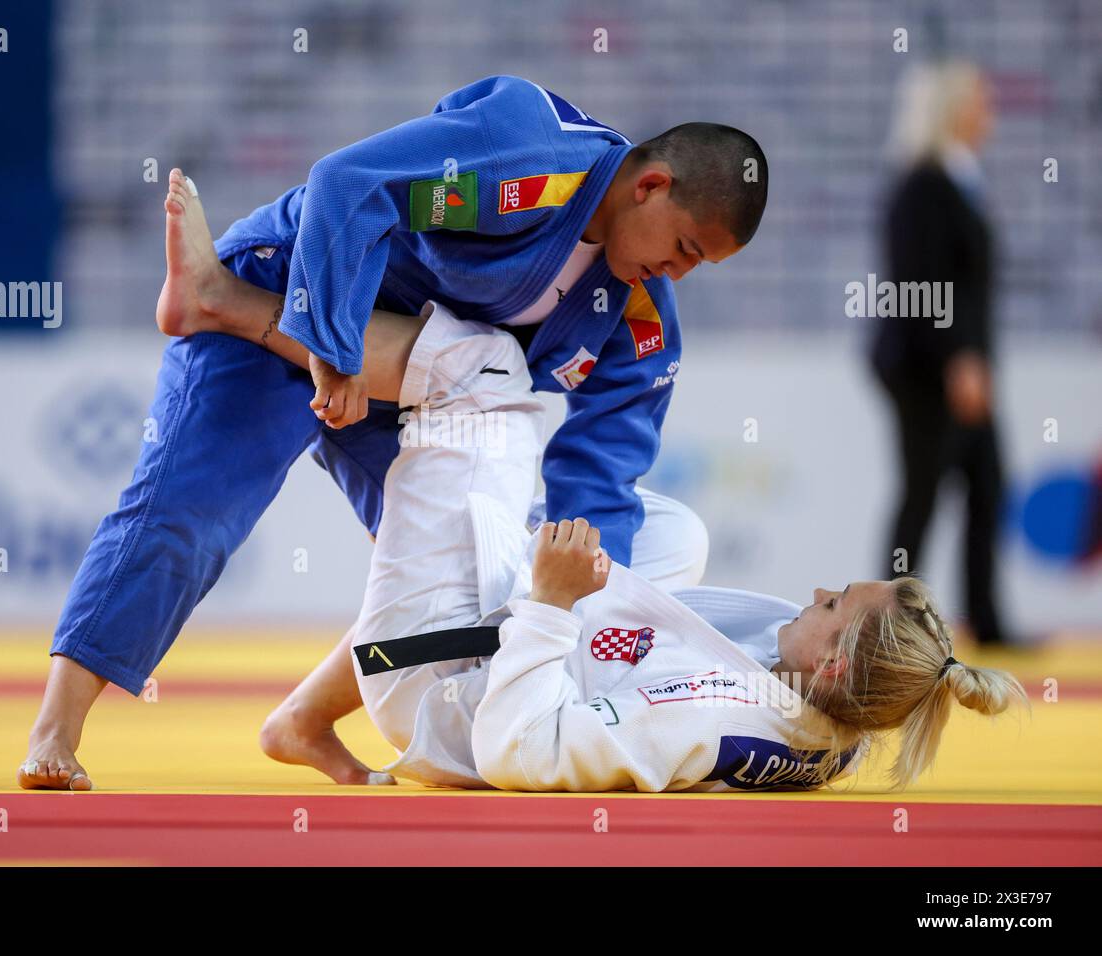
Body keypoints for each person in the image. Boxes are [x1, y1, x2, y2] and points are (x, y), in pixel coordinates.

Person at [19, 74, 769, 790]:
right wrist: (333, 347)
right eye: (685, 248)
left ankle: (302, 719)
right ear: (651, 186)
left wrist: (586, 619)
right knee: (192, 514)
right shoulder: (535, 153)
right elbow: (347, 183)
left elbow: (598, 491)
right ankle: (56, 729)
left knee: (478, 575)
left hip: (404, 388)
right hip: (297, 296)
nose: (675, 273)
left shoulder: (638, 317)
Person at [254, 300, 1028, 792]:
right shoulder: (843, 717)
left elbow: (512, 751)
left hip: (443, 685)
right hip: (524, 648)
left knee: (486, 370)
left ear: (829, 662)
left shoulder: (707, 715)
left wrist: (552, 602)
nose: (818, 590)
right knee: (675, 536)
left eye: (833, 605)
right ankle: (305, 713)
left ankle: (250, 311)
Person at [870, 61, 1008, 646]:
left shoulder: (959, 177)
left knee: (987, 485)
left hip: (957, 363)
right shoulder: (924, 184)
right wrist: (960, 359)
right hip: (927, 368)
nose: (990, 112)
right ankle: (889, 626)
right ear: (954, 109)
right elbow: (921, 284)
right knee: (923, 492)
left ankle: (986, 619)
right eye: (980, 101)